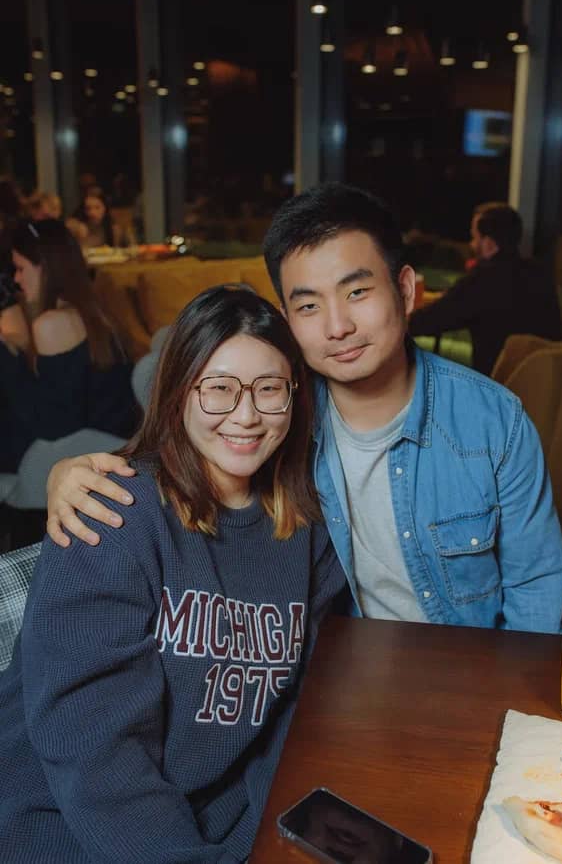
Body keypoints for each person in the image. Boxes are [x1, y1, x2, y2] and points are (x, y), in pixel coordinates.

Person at [46, 183, 562, 633]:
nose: (337, 327)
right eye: (309, 305)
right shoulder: (277, 414)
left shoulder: (493, 421)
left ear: (406, 290)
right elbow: (184, 452)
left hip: (469, 670)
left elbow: (536, 587)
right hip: (336, 671)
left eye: (357, 292)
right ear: (287, 319)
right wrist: (68, 473)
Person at [0, 286, 346, 862]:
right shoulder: (113, 511)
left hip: (202, 817)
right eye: (218, 388)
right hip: (58, 816)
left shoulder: (306, 528)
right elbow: (90, 744)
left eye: (269, 389)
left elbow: (292, 711)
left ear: (294, 397)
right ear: (179, 392)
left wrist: (272, 828)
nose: (246, 415)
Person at [0, 219, 137, 472]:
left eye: (20, 268)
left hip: (81, 457)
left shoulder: (51, 323)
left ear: (45, 267)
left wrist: (7, 356)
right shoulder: (95, 312)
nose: (16, 278)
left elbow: (53, 426)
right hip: (112, 445)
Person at [408, 202, 562, 375]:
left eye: (474, 238)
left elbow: (424, 321)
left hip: (497, 385)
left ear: (489, 244)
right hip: (543, 381)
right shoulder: (540, 274)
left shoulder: (482, 279)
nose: (472, 245)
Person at [67, 187, 134, 249]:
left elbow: (130, 246)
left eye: (97, 208)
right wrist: (75, 227)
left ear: (105, 208)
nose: (92, 213)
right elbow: (68, 225)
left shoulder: (112, 227)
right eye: (88, 208)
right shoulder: (78, 224)